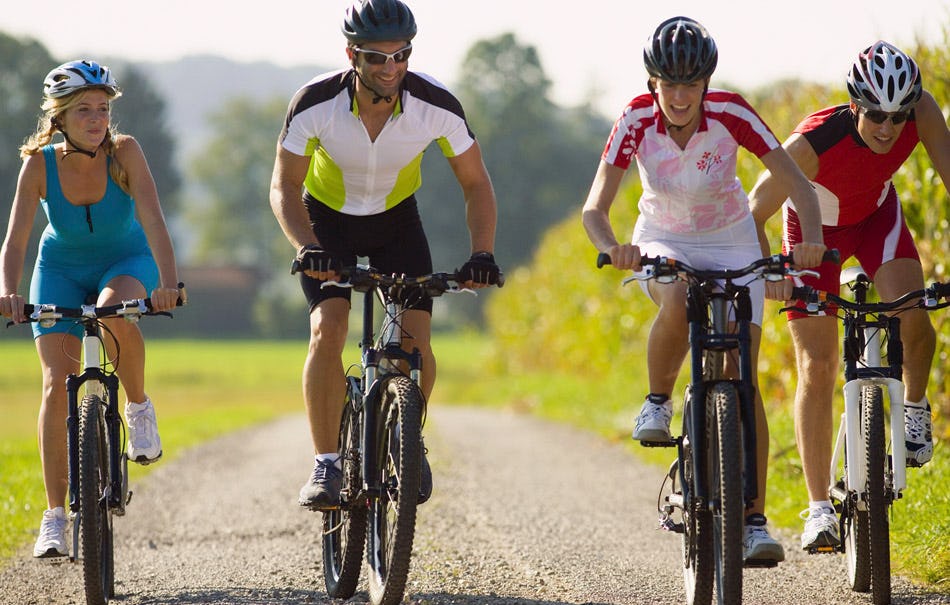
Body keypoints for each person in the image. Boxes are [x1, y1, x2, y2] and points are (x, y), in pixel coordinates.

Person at [582, 16, 826, 565]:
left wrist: (810, 241)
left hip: (731, 238)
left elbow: (796, 183)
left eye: (690, 84)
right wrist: (615, 246)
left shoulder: (732, 113)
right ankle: (657, 401)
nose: (679, 96)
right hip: (664, 236)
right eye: (669, 84)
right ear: (653, 83)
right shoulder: (635, 119)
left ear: (705, 84)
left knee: (744, 376)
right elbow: (594, 208)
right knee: (675, 299)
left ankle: (754, 522)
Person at [269, 0, 501, 511]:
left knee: (414, 343)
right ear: (351, 55)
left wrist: (482, 252)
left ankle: (407, 440)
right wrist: (307, 247)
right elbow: (284, 186)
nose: (391, 67)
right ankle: (327, 463)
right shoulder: (315, 102)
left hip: (396, 223)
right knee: (329, 328)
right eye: (377, 57)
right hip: (327, 223)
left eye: (401, 55)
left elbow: (476, 183)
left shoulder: (435, 104)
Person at [750, 40, 949, 552]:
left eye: (898, 116)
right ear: (855, 106)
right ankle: (819, 509)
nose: (888, 127)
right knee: (817, 366)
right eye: (876, 115)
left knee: (915, 315)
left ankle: (914, 408)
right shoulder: (812, 144)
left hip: (877, 218)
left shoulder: (922, 112)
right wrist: (771, 271)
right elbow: (754, 211)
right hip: (814, 236)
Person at [0, 60, 182, 558]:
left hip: (126, 261)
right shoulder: (38, 164)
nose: (97, 119)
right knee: (55, 385)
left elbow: (154, 219)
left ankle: (138, 407)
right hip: (59, 266)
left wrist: (169, 284)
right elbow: (15, 239)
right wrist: (8, 291)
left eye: (103, 109)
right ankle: (55, 517)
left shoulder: (125, 152)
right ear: (59, 116)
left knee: (113, 311)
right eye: (84, 110)